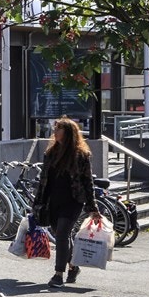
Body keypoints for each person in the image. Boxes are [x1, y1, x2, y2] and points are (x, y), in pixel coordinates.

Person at [34, 117, 100, 287]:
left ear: (68, 133)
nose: (54, 132)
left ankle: (58, 275)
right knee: (61, 235)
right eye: (55, 129)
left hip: (73, 201)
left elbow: (88, 182)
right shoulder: (50, 153)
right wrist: (38, 202)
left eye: (58, 129)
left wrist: (92, 208)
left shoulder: (81, 155)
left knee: (62, 234)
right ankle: (73, 266)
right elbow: (43, 180)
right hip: (52, 201)